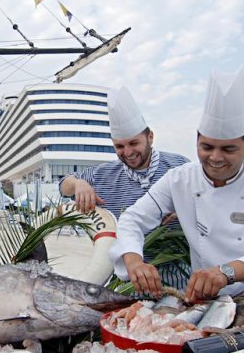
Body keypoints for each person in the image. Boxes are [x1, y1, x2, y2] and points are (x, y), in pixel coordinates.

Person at [108, 69, 244, 302]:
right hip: (206, 300)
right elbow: (132, 218)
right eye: (207, 147)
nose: (215, 157)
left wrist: (226, 272)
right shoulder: (179, 179)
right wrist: (134, 261)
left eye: (228, 149)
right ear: (196, 142)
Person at [59, 86, 189, 288]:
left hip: (179, 280)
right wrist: (78, 183)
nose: (128, 152)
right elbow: (63, 186)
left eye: (133, 143)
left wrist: (185, 211)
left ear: (150, 137)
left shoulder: (180, 167)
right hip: (125, 284)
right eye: (119, 146)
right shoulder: (102, 174)